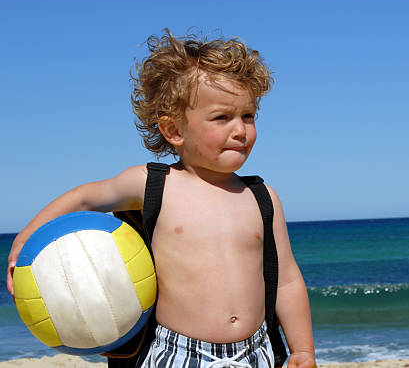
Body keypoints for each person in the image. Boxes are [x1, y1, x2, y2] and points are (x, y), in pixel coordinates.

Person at [6, 29, 316, 368]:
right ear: (174, 131)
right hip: (177, 352)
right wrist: (24, 241)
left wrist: (302, 350)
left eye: (248, 116)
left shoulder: (262, 197)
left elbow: (286, 279)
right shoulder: (155, 185)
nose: (240, 130)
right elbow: (85, 198)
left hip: (255, 352)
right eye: (222, 118)